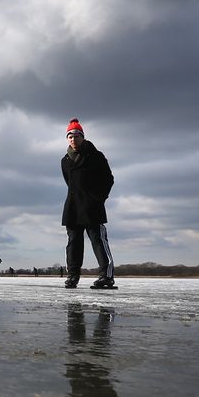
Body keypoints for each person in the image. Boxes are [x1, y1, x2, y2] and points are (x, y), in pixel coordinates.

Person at [61, 118, 116, 289]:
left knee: (98, 240)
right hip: (73, 208)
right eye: (70, 136)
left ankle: (106, 276)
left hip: (92, 206)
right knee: (73, 243)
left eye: (76, 135)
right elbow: (69, 182)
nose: (73, 139)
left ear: (82, 137)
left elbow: (108, 179)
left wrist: (98, 198)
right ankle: (72, 276)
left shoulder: (96, 156)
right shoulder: (65, 160)